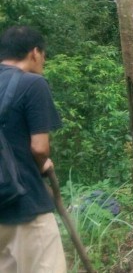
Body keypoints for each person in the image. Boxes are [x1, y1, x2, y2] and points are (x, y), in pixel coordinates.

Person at [0, 26, 67, 272]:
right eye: (44, 55)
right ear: (35, 52)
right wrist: (44, 164)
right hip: (24, 204)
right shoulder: (32, 84)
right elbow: (39, 148)